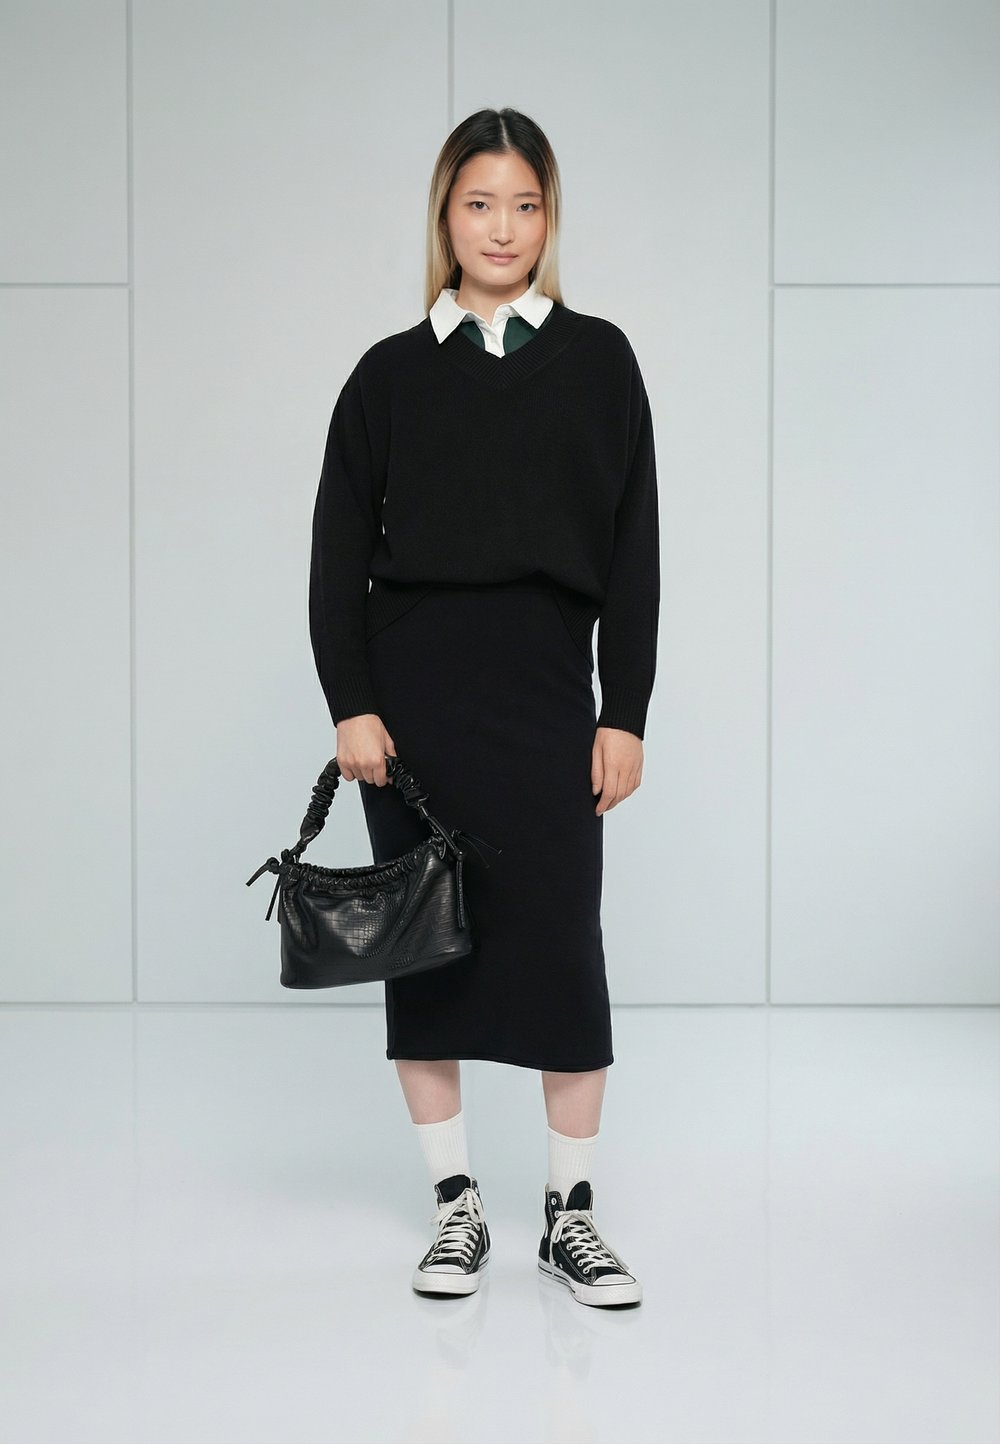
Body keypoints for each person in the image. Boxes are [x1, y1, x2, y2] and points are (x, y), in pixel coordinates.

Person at [308, 107, 659, 1309]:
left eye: (524, 205)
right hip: (416, 714)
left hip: (550, 700)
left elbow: (635, 551)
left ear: (548, 218)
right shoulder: (388, 374)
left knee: (563, 949)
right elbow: (335, 558)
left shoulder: (600, 362)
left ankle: (571, 1214)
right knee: (428, 957)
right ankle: (454, 1206)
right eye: (478, 203)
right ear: (444, 216)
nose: (501, 228)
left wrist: (625, 710)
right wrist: (352, 705)